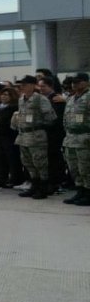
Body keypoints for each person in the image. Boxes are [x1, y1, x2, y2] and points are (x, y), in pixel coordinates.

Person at [14, 75, 58, 199]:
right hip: (23, 135)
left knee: (40, 162)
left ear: (33, 85)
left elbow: (51, 118)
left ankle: (43, 187)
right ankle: (35, 185)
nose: (22, 87)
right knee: (28, 162)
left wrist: (38, 124)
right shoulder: (21, 99)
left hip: (36, 135)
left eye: (25, 85)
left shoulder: (40, 99)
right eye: (21, 85)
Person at [62, 72, 90, 205]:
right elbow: (66, 118)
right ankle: (80, 191)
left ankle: (88, 193)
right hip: (71, 138)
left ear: (86, 82)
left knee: (85, 167)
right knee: (74, 167)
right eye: (73, 82)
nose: (75, 84)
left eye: (78, 82)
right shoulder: (71, 98)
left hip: (85, 137)